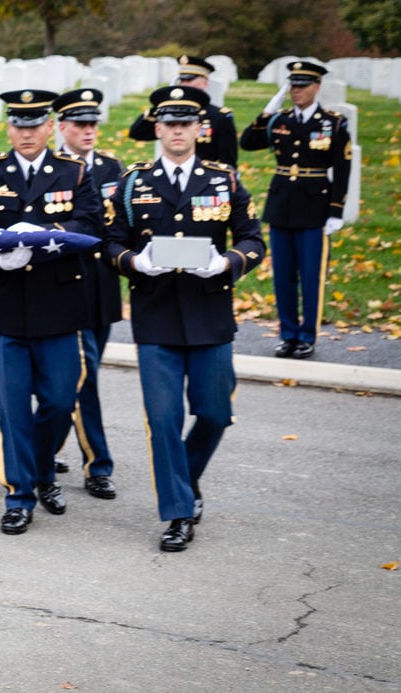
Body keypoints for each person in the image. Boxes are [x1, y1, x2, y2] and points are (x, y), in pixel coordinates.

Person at [102, 86, 265, 551]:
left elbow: (254, 239)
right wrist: (135, 262)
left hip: (210, 314)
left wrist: (228, 262)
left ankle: (185, 480)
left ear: (200, 129)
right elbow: (111, 244)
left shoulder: (224, 181)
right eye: (169, 123)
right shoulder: (132, 183)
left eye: (186, 123)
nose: (177, 130)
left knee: (215, 413)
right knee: (163, 418)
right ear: (156, 129)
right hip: (156, 318)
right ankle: (177, 512)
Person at [0, 89, 100, 535]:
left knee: (60, 400)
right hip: (2, 309)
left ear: (48, 127)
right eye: (18, 125)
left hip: (57, 308)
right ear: (9, 128)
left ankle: (42, 471)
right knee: (11, 409)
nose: (26, 133)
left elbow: (89, 224)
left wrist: (40, 238)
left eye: (34, 124)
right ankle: (18, 496)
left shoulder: (74, 172)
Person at [240, 60, 352, 360]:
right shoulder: (279, 120)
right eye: (292, 85)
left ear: (317, 87)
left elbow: (342, 170)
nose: (296, 91)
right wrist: (267, 112)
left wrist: (335, 211)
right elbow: (247, 142)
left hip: (314, 208)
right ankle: (288, 334)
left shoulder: (333, 123)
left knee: (311, 275)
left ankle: (307, 336)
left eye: (303, 85)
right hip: (281, 207)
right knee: (283, 276)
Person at [52, 87, 123, 501]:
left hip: (102, 285)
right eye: (79, 124)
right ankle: (98, 464)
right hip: (66, 285)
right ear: (61, 127)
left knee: (79, 375)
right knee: (85, 375)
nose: (88, 130)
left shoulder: (114, 167)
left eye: (93, 123)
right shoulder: (53, 169)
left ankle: (49, 448)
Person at [128, 55, 238, 167]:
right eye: (182, 79)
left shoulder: (219, 116)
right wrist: (157, 108)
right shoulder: (167, 111)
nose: (184, 84)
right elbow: (137, 133)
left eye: (189, 80)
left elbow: (228, 159)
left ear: (204, 82)